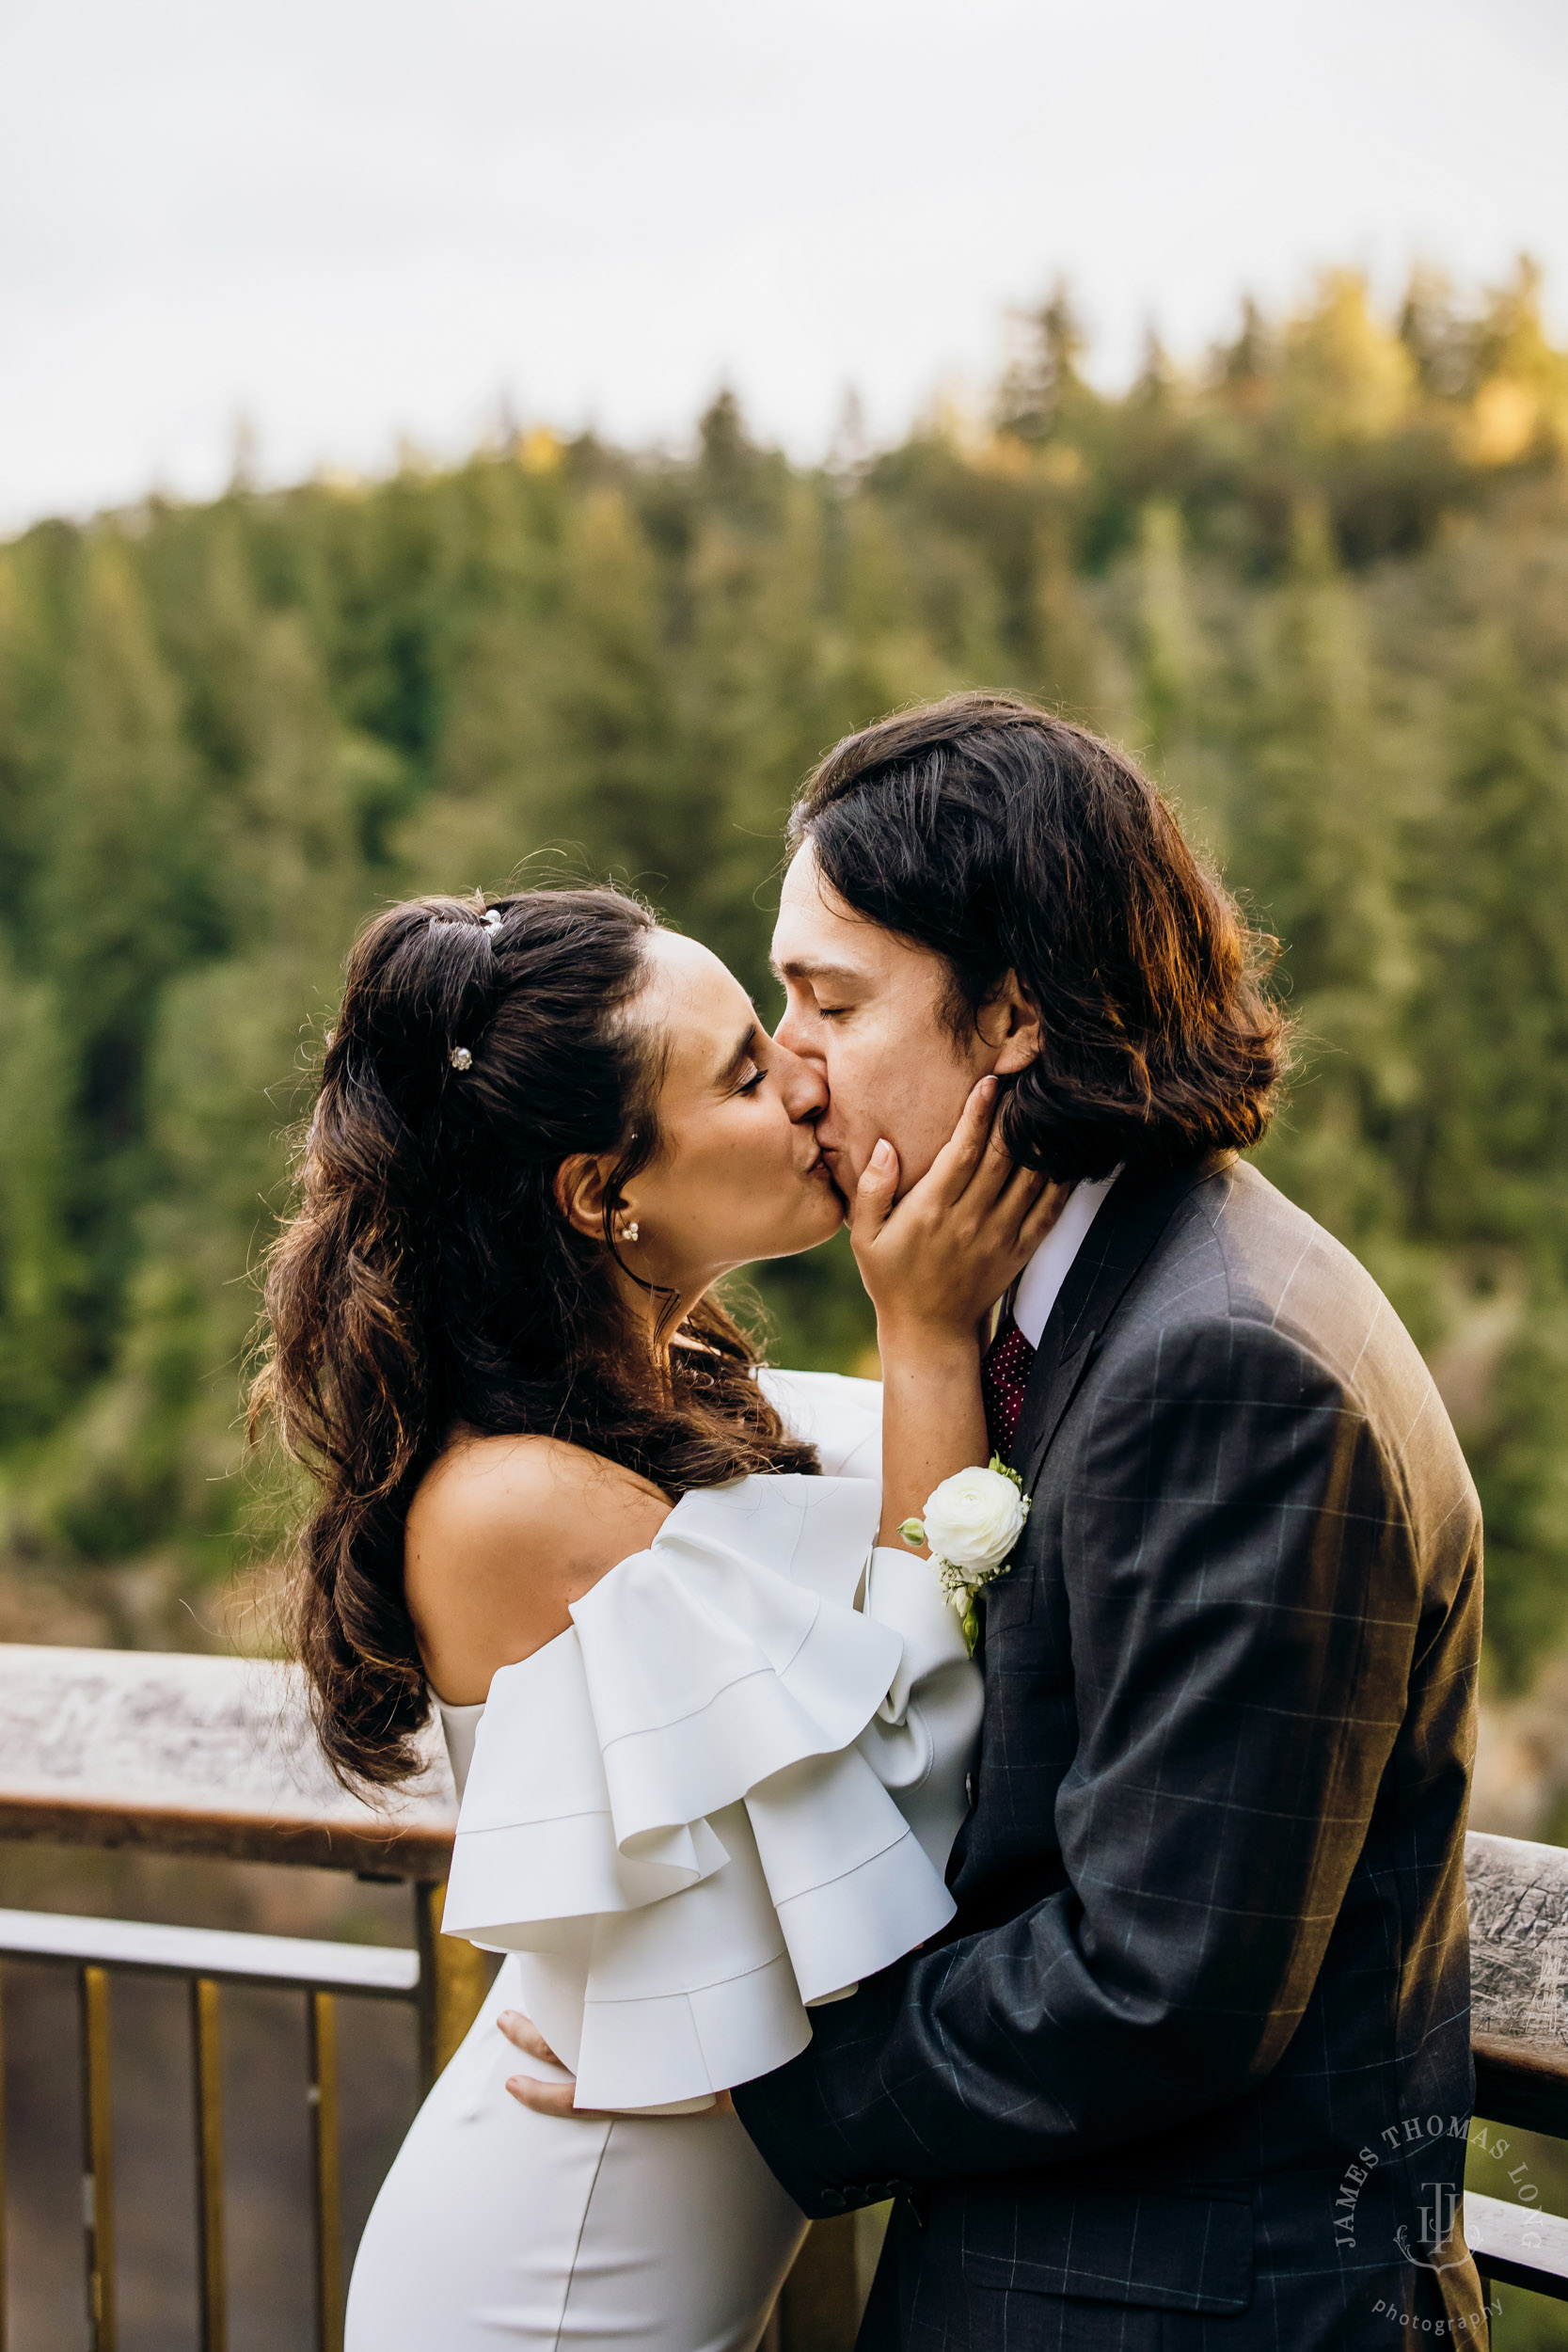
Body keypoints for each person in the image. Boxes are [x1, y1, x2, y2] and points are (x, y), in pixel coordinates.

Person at [505, 694, 1484, 2346]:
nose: (790, 1066)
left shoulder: (1228, 1364)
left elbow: (1162, 1978)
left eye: (831, 1001)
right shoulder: (1074, 1298)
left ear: (1016, 1014)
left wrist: (748, 2077)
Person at [251, 883, 1059, 2352]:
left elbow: (947, 1541)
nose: (807, 1076)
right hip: (535, 2295)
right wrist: (925, 1324)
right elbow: (905, 1776)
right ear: (599, 1191)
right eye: (748, 1073)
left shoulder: (691, 1401)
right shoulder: (509, 1504)